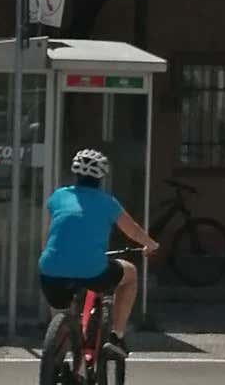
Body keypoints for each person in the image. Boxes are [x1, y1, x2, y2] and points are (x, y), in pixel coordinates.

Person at [39, 149, 159, 357]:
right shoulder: (107, 203)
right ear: (102, 177)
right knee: (130, 274)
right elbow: (132, 230)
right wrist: (150, 244)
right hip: (92, 271)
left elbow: (47, 236)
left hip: (50, 272)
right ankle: (117, 336)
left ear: (75, 174)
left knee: (61, 317)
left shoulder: (58, 197)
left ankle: (57, 358)